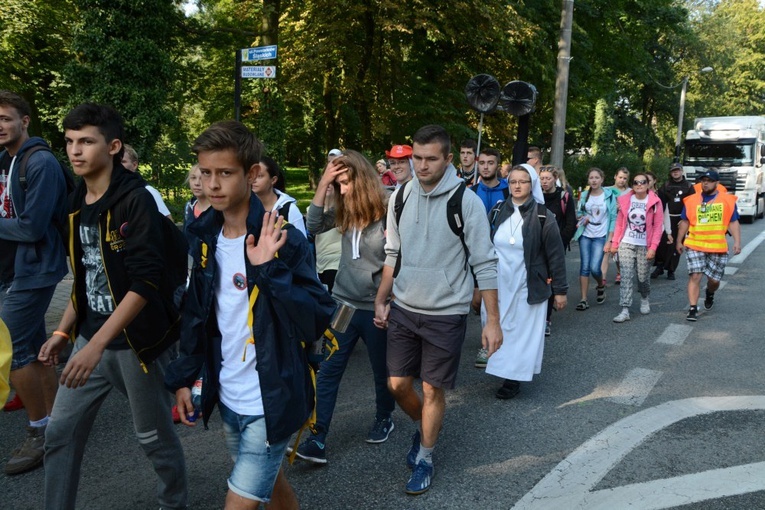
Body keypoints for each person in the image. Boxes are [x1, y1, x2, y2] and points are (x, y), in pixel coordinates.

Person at [165, 120, 333, 509]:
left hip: (270, 398)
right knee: (271, 485)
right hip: (229, 396)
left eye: (225, 173)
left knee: (240, 501)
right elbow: (195, 315)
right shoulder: (203, 237)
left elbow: (316, 317)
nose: (213, 184)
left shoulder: (282, 239)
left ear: (253, 173)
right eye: (206, 173)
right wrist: (184, 378)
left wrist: (268, 269)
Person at [38, 103, 187, 509]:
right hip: (90, 340)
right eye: (69, 142)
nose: (75, 151)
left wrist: (94, 346)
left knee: (153, 438)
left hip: (133, 344)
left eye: (86, 141)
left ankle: (173, 502)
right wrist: (64, 331)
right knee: (60, 433)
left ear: (114, 146)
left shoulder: (136, 200)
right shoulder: (74, 202)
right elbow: (85, 277)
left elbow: (145, 283)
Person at [374, 125, 501, 495]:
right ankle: (426, 426)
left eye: (431, 159)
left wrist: (492, 321)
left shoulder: (467, 202)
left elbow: (485, 262)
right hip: (404, 306)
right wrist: (382, 297)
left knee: (432, 390)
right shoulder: (399, 198)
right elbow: (392, 254)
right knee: (397, 385)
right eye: (417, 158)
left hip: (447, 312)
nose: (422, 165)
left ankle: (425, 456)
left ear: (449, 159)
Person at [296, 150, 396, 464]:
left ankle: (385, 417)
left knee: (381, 371)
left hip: (375, 306)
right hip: (343, 304)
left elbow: (400, 258)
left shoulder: (389, 206)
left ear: (361, 179)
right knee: (328, 370)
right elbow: (311, 224)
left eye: (345, 182)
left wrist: (388, 300)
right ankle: (318, 437)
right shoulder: (344, 207)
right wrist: (325, 181)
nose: (342, 189)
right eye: (337, 183)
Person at [0, 90, 68, 475]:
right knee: (31, 346)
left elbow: (32, 227)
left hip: (36, 267)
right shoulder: (5, 162)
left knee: (10, 348)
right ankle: (60, 422)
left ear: (24, 121)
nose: (0, 126)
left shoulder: (39, 163)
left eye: (6, 118)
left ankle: (39, 430)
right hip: (11, 269)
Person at [485, 164, 567, 398]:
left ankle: (512, 379)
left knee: (521, 332)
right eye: (513, 182)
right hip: (500, 282)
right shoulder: (499, 210)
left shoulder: (543, 215)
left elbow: (556, 255)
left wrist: (560, 290)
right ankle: (502, 368)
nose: (517, 186)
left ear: (531, 185)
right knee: (501, 326)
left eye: (523, 181)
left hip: (528, 283)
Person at [676, 170, 741, 321]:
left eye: (709, 180)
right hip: (695, 243)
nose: (705, 183)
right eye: (703, 180)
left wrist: (737, 242)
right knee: (695, 275)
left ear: (717, 183)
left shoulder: (727, 200)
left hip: (717, 247)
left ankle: (710, 293)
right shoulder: (691, 200)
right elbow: (685, 222)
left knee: (714, 281)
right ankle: (693, 308)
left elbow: (733, 222)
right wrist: (679, 241)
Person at [609, 173, 664, 323]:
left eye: (643, 182)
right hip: (626, 243)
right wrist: (614, 244)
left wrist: (653, 247)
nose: (639, 184)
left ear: (648, 184)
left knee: (642, 277)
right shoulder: (626, 200)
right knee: (626, 276)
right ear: (632, 185)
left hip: (645, 245)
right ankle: (625, 309)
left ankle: (645, 297)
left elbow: (658, 226)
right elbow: (620, 223)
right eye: (636, 182)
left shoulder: (655, 202)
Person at [538, 166, 576, 336]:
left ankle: (546, 319)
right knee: (539, 279)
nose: (544, 182)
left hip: (556, 246)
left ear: (555, 179)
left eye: (547, 178)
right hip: (537, 246)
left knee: (550, 280)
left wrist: (559, 243)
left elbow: (570, 223)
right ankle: (537, 315)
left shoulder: (564, 197)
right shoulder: (535, 197)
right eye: (542, 178)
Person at [573, 168, 617, 311]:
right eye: (591, 178)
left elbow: (613, 218)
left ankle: (600, 285)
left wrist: (610, 240)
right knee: (584, 267)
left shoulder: (609, 196)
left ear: (602, 179)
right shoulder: (585, 195)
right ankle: (583, 299)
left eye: (596, 177)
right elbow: (580, 213)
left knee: (594, 268)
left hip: (601, 235)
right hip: (586, 234)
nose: (594, 180)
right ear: (588, 180)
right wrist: (582, 217)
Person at [652, 163, 694, 280]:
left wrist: (685, 219)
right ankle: (659, 266)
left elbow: (692, 204)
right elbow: (659, 200)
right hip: (666, 218)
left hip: (681, 220)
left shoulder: (689, 186)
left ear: (682, 171)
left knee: (676, 244)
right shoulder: (666, 185)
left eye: (677, 170)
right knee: (662, 243)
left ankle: (671, 270)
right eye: (673, 171)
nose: (675, 173)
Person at [251, 155, 307, 237]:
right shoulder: (243, 208)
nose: (253, 180)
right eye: (251, 175)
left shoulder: (289, 210)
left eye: (259, 176)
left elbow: (302, 245)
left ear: (273, 180)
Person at [121, 143, 173, 220]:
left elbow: (168, 222)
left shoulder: (149, 191)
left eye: (123, 162)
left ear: (134, 165)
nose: (118, 166)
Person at [602, 167, 630, 286]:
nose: (622, 180)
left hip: (623, 224)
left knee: (618, 250)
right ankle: (603, 278)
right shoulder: (606, 190)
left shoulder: (630, 191)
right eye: (620, 177)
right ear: (615, 177)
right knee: (606, 250)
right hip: (608, 224)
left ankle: (620, 271)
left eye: (625, 178)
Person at [470, 147, 508, 213]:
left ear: (498, 166)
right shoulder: (471, 193)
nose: (485, 167)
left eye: (490, 163)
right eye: (482, 163)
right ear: (478, 166)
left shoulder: (508, 192)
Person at [183, 163, 211, 230]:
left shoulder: (219, 209)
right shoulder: (188, 207)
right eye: (193, 178)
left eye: (202, 179)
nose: (197, 183)